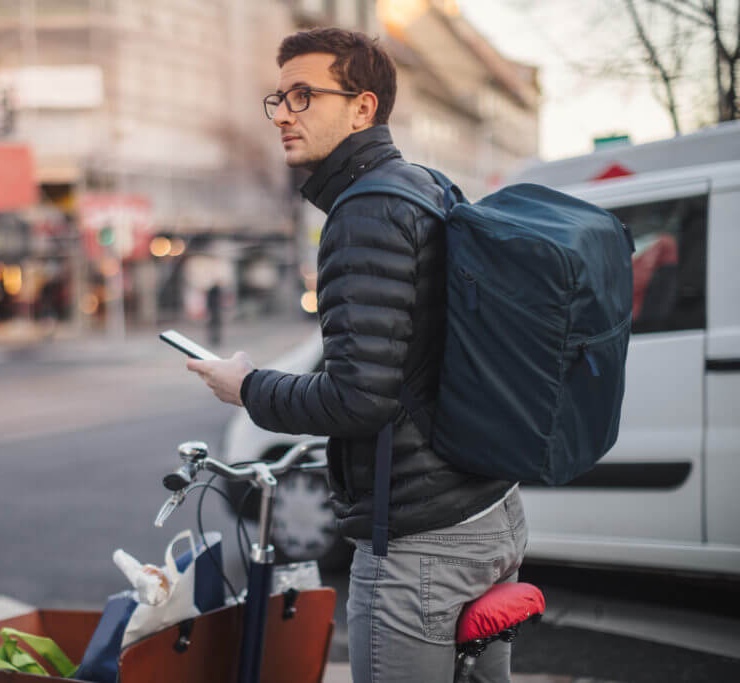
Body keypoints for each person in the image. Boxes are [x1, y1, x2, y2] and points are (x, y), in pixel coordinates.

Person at [186, 29, 525, 683]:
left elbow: (360, 397)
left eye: (304, 95)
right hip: (489, 506)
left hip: (420, 539)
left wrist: (247, 385)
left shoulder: (364, 212)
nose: (283, 112)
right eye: (279, 97)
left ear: (363, 108)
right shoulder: (425, 185)